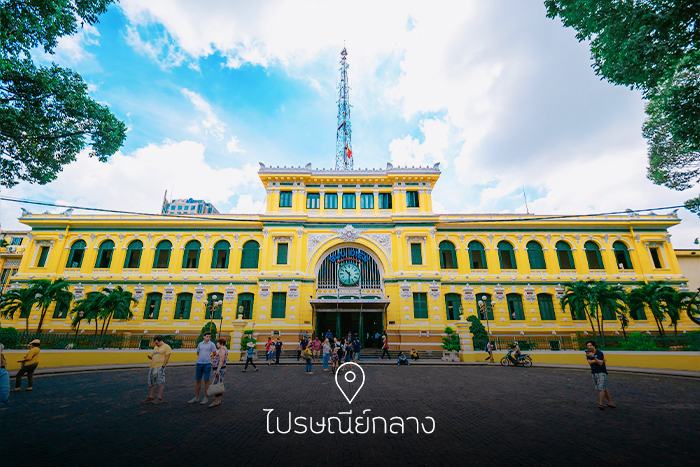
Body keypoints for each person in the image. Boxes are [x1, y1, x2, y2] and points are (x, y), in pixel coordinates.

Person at [188, 331, 217, 405]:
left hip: (207, 364)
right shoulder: (200, 344)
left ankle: (205, 397)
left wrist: (211, 357)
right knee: (198, 380)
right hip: (199, 363)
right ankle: (196, 396)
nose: (208, 338)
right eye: (207, 336)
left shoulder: (212, 344)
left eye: (209, 337)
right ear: (204, 337)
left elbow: (214, 353)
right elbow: (198, 353)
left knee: (206, 380)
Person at [586, 340, 616, 410]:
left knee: (601, 388)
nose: (589, 347)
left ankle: (600, 403)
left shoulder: (599, 353)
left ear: (594, 346)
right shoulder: (588, 354)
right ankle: (610, 402)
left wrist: (594, 358)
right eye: (588, 346)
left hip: (601, 372)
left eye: (590, 345)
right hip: (594, 372)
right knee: (603, 387)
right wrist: (597, 360)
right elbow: (589, 362)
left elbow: (600, 363)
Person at [142, 335, 171, 405]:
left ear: (161, 341)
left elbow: (167, 357)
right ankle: (151, 397)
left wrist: (163, 366)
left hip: (160, 367)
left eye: (157, 343)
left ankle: (159, 397)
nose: (156, 344)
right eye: (155, 343)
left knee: (160, 382)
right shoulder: (155, 347)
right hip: (152, 367)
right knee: (151, 382)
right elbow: (153, 356)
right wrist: (150, 357)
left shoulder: (166, 347)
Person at [209, 337, 228, 408]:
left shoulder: (222, 350)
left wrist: (218, 370)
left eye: (218, 343)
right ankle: (218, 400)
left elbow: (221, 361)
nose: (217, 344)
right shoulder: (223, 350)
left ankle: (216, 401)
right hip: (221, 369)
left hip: (219, 369)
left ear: (221, 343)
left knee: (217, 384)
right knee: (219, 384)